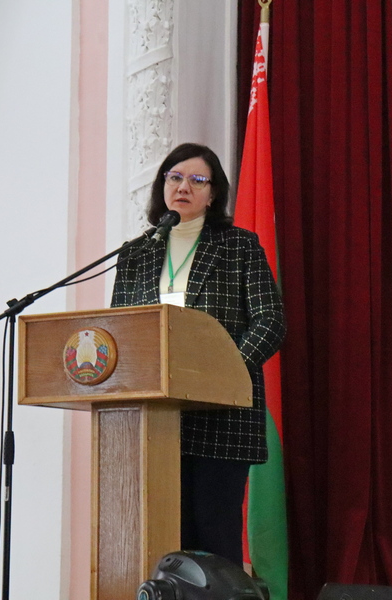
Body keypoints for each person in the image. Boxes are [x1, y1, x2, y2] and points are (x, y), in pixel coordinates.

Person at [111, 142, 285, 566]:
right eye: (174, 177)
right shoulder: (135, 254)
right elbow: (120, 329)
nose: (183, 186)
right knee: (160, 541)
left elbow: (270, 321)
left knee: (213, 538)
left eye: (196, 179)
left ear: (213, 193)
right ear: (162, 186)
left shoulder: (239, 246)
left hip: (220, 416)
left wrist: (225, 371)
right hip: (154, 421)